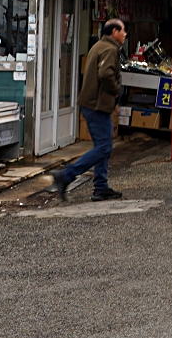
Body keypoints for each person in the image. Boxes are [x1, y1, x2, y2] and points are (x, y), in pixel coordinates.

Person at [54, 18, 127, 202]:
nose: (125, 34)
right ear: (114, 32)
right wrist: (116, 91)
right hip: (96, 106)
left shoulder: (99, 46)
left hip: (96, 104)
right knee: (104, 147)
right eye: (123, 30)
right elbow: (105, 75)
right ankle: (66, 175)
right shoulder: (110, 49)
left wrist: (113, 102)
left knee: (104, 146)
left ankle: (101, 187)